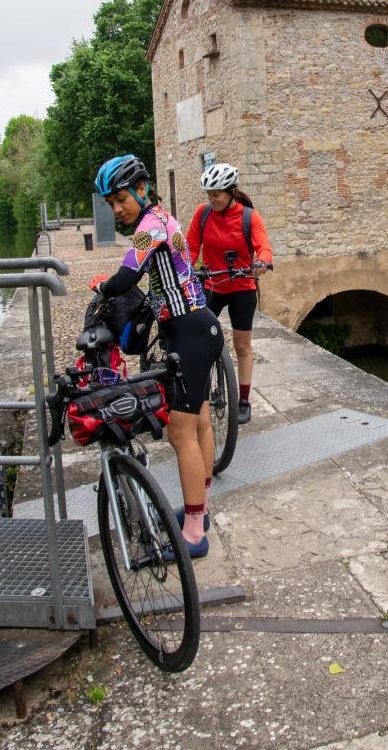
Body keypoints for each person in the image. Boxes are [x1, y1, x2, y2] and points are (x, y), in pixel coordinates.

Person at [90, 154, 223, 559]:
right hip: (199, 326)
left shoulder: (149, 227)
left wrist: (101, 286)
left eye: (120, 199)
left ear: (142, 189)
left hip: (189, 332)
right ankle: (199, 512)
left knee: (182, 433)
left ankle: (194, 535)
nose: (117, 209)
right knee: (200, 424)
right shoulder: (164, 218)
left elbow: (126, 278)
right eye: (111, 203)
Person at [186, 162, 272, 425]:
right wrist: (185, 271)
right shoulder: (203, 214)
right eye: (209, 194)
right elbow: (191, 247)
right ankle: (200, 390)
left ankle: (243, 400)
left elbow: (263, 246)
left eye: (217, 195)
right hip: (212, 284)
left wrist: (262, 262)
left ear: (231, 192)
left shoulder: (249, 217)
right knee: (201, 340)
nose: (211, 199)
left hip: (242, 286)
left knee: (242, 346)